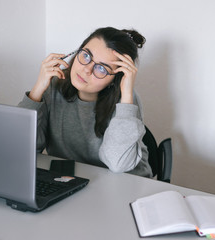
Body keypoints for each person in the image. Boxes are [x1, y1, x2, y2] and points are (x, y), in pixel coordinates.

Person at [18, 27, 152, 177]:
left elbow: (118, 164)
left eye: (101, 68)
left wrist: (127, 94)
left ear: (114, 80)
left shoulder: (126, 101)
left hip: (126, 183)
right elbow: (20, 146)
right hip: (73, 181)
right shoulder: (54, 87)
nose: (86, 69)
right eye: (86, 56)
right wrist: (38, 89)